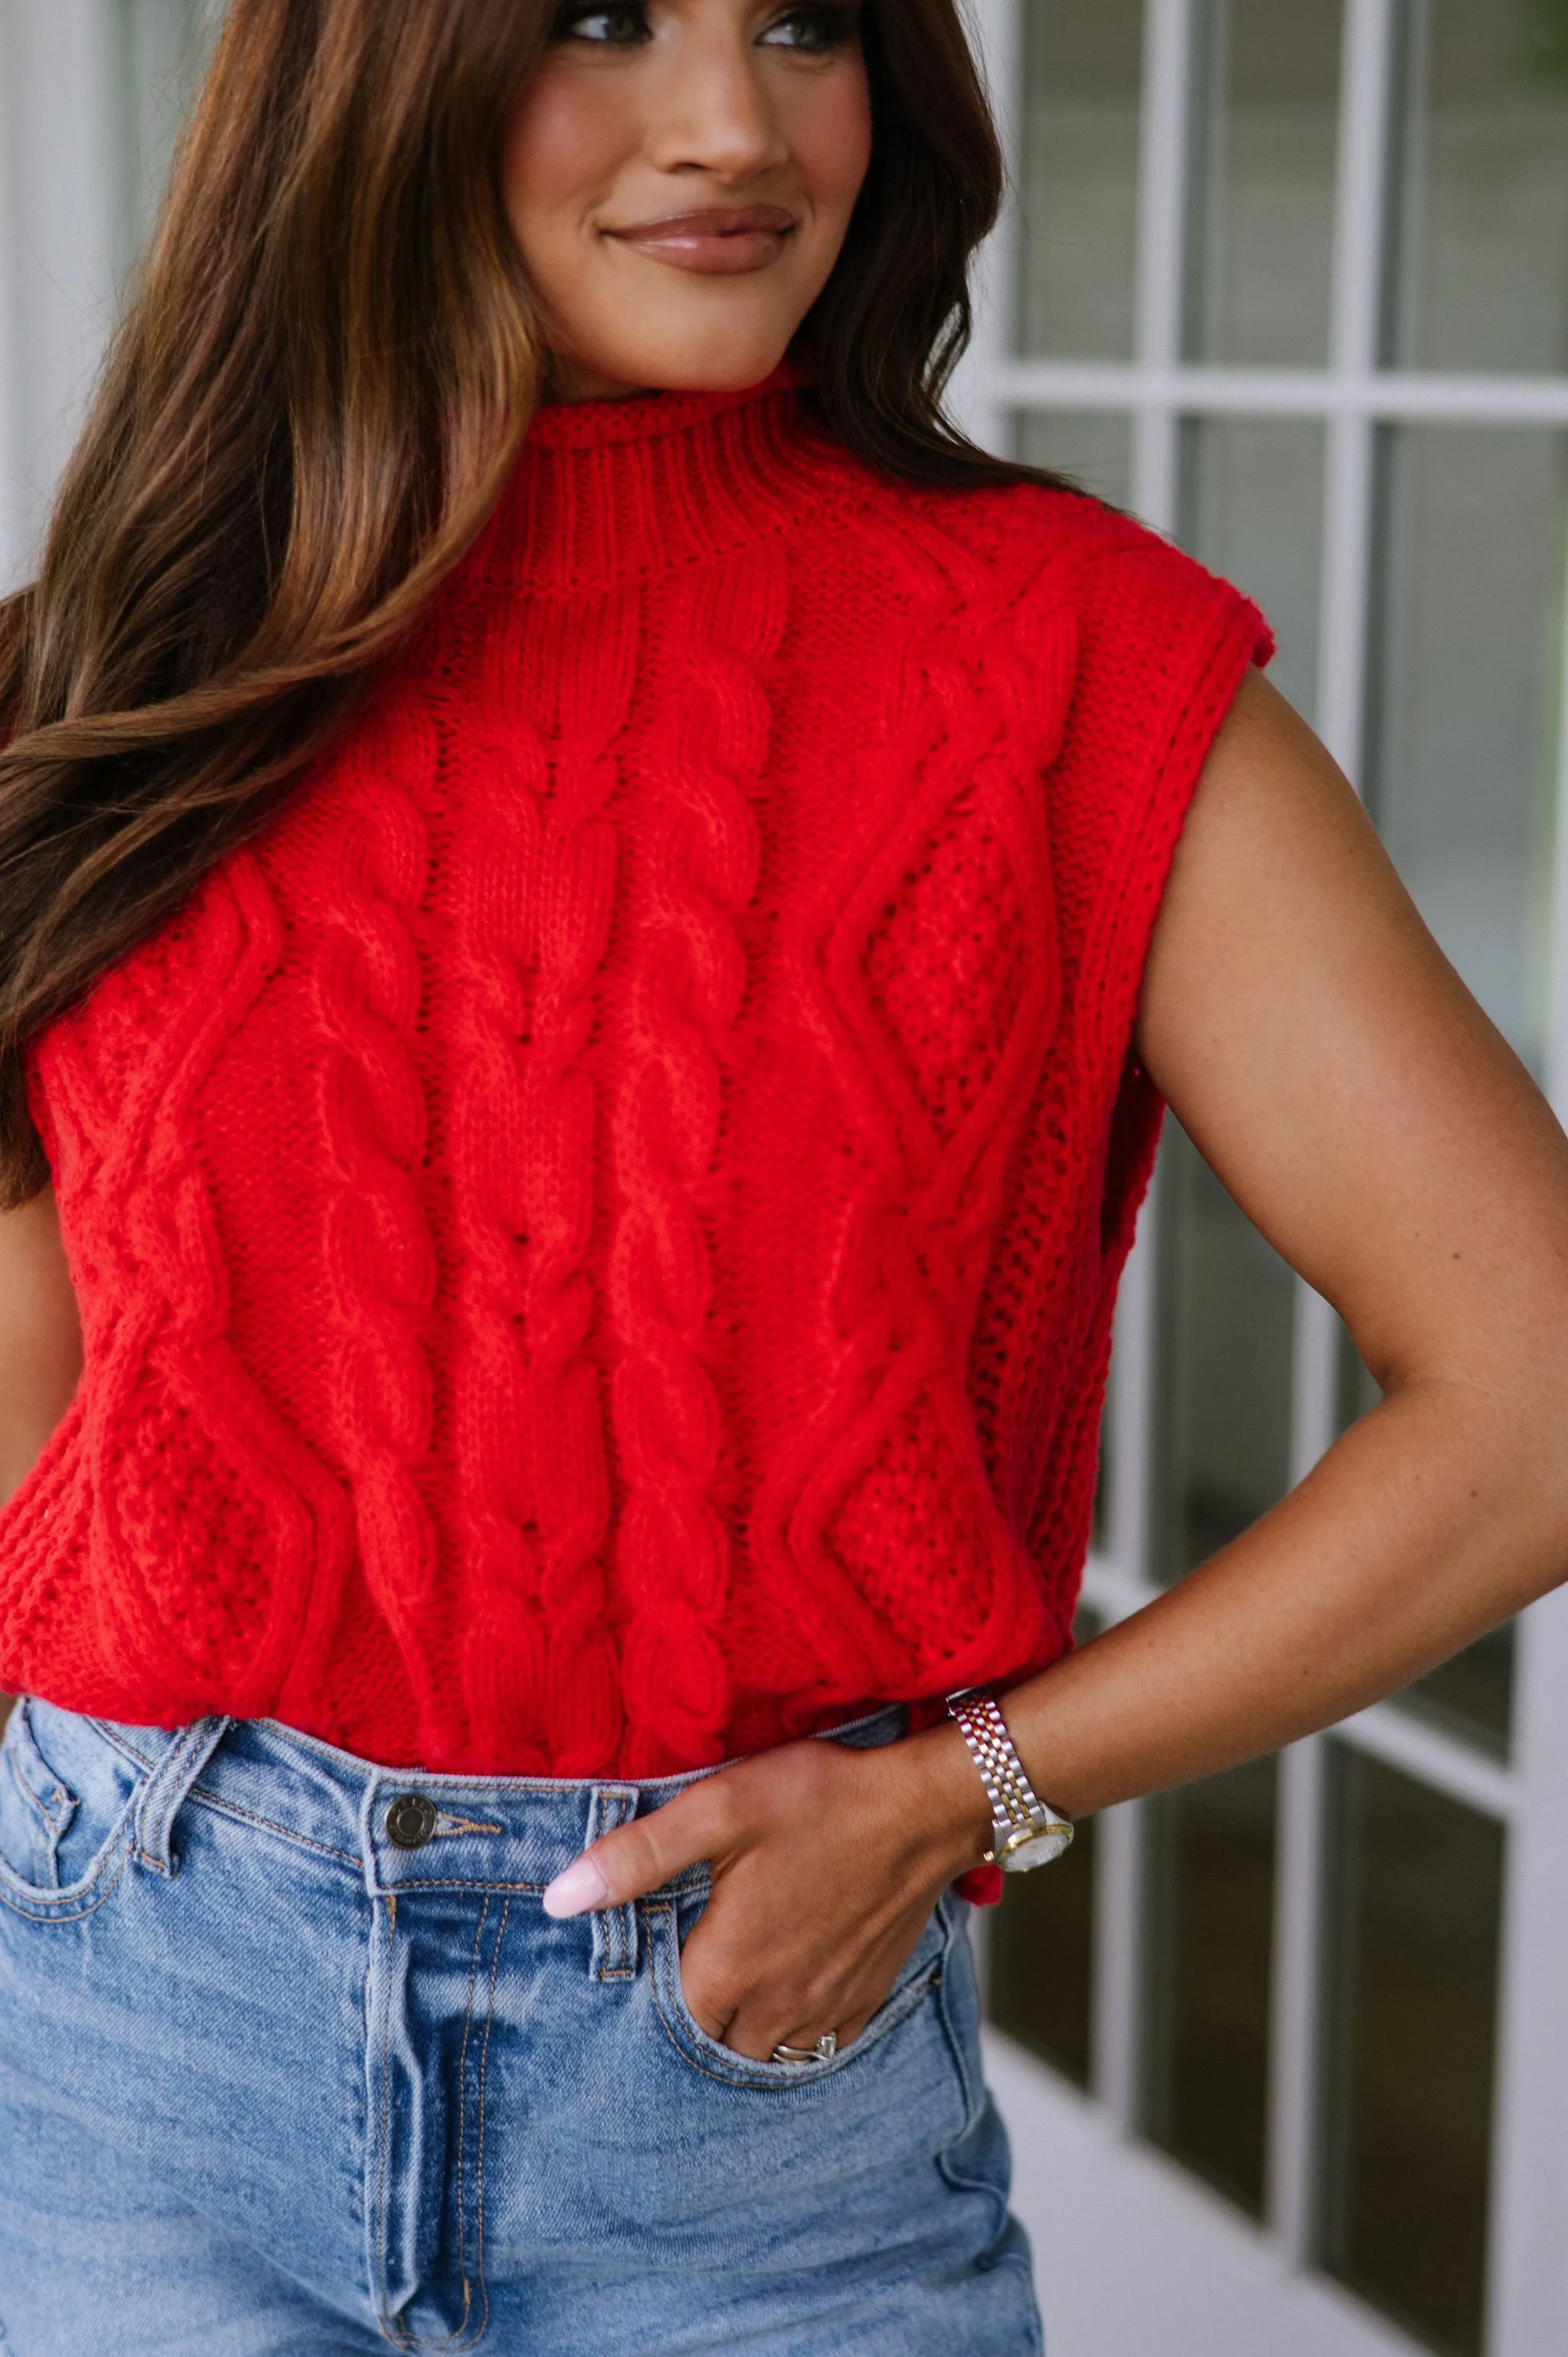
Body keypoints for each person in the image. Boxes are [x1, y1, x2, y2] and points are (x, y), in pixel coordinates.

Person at [1, 1, 1566, 2349]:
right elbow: (45, 1414)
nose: (737, 125)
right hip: (128, 2032)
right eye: (609, 19)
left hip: (744, 2105)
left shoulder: (1081, 671)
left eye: (813, 23)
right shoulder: (106, 675)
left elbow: (1534, 1388)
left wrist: (980, 1788)